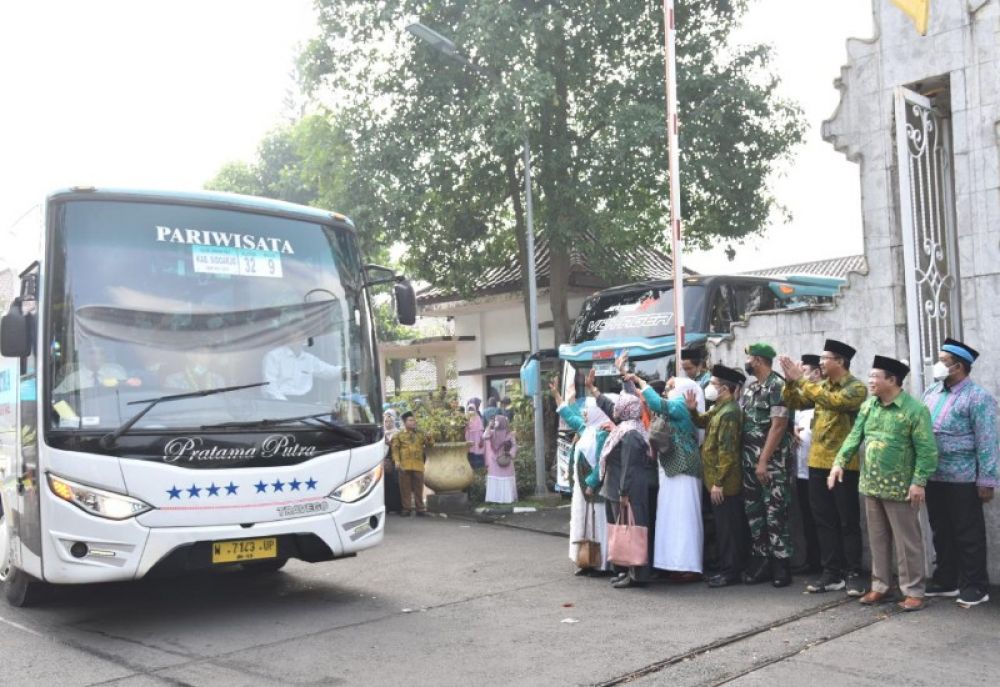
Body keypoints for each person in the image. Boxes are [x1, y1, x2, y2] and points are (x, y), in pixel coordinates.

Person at [829, 356, 938, 612]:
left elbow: (927, 450)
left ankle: (913, 591)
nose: (870, 381)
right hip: (871, 484)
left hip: (900, 487)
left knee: (906, 540)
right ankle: (880, 586)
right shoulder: (869, 407)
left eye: (875, 376)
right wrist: (839, 463)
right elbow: (854, 437)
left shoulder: (914, 410)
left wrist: (919, 481)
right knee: (877, 539)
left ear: (892, 380)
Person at [781, 340, 868, 596]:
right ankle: (831, 573)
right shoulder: (819, 386)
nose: (820, 362)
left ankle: (853, 573)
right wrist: (789, 381)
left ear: (840, 361)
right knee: (823, 521)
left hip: (843, 464)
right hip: (816, 462)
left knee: (848, 521)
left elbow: (834, 402)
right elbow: (794, 401)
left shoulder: (857, 388)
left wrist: (802, 380)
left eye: (825, 358)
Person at [922, 338, 998, 608]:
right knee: (940, 529)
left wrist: (987, 480)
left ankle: (975, 585)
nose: (938, 365)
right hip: (934, 475)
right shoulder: (932, 392)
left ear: (958, 366)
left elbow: (988, 441)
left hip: (963, 478)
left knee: (968, 533)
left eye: (943, 361)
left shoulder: (978, 397)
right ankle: (946, 579)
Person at [588, 370, 657, 589]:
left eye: (619, 407)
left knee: (633, 531)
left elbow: (629, 467)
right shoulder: (627, 424)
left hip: (627, 490)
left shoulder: (631, 434)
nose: (615, 409)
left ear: (626, 410)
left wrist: (624, 493)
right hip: (617, 488)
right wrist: (594, 390)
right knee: (622, 531)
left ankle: (638, 574)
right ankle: (626, 570)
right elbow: (611, 408)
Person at [634, 374, 705, 581]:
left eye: (672, 386)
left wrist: (639, 380)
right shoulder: (678, 406)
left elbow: (656, 402)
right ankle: (672, 564)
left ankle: (688, 566)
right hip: (672, 468)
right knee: (670, 517)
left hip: (684, 469)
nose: (668, 390)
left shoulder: (682, 405)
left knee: (684, 518)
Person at [686, 364, 747, 588]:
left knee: (729, 528)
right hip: (715, 480)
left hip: (725, 484)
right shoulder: (719, 408)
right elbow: (703, 421)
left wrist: (719, 483)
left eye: (713, 384)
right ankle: (726, 568)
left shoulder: (730, 412)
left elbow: (728, 452)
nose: (710, 388)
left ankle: (731, 572)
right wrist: (692, 410)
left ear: (725, 389)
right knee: (722, 527)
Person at [740, 343, 795, 587]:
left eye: (750, 358)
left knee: (775, 514)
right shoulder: (751, 388)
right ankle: (761, 562)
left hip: (771, 464)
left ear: (759, 360)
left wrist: (763, 460)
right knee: (755, 515)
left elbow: (779, 424)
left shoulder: (778, 386)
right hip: (749, 464)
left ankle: (781, 566)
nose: (748, 363)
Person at [551, 380, 612, 575]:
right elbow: (569, 416)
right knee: (583, 522)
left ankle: (601, 564)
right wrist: (557, 396)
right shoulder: (587, 429)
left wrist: (592, 483)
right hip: (581, 487)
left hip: (595, 488)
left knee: (598, 522)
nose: (584, 413)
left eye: (587, 410)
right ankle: (585, 560)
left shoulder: (603, 434)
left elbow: (603, 462)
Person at [787, 354, 822, 576]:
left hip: (820, 466)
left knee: (822, 519)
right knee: (807, 519)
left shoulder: (824, 394)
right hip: (801, 467)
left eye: (806, 370)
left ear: (817, 372)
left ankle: (829, 564)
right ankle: (813, 560)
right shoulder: (802, 397)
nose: (802, 374)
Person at [261, 340, 342, 401]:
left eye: (301, 335)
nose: (298, 338)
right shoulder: (273, 356)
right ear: (288, 337)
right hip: (278, 403)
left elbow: (329, 372)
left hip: (305, 404)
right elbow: (269, 387)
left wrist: (346, 370)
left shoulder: (309, 359)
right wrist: (285, 404)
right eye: (294, 335)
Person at [390, 411, 434, 517]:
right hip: (404, 465)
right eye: (410, 420)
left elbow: (430, 445)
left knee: (419, 488)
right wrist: (396, 461)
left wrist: (429, 437)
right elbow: (395, 449)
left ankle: (420, 509)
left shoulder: (420, 434)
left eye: (414, 420)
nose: (413, 422)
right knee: (405, 488)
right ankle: (407, 508)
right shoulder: (398, 435)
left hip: (418, 464)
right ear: (405, 422)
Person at [54, 340, 133, 393]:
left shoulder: (116, 373)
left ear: (105, 356)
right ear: (84, 355)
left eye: (101, 353)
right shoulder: (73, 379)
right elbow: (57, 399)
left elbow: (128, 393)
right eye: (91, 353)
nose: (97, 356)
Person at [483, 415, 518, 504]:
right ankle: (494, 499)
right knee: (495, 478)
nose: (495, 422)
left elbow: (514, 445)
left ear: (502, 422)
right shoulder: (492, 432)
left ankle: (507, 499)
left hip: (505, 459)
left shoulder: (508, 434)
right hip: (494, 460)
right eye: (495, 420)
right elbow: (484, 436)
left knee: (506, 478)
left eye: (497, 420)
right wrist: (489, 426)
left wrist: (510, 453)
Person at [382, 410, 403, 513]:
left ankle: (398, 507)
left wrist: (389, 444)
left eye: (390, 421)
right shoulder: (381, 434)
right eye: (386, 421)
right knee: (385, 484)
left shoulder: (398, 433)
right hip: (383, 461)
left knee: (396, 483)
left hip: (395, 461)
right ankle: (387, 507)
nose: (388, 423)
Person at [465, 402, 486, 470]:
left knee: (477, 450)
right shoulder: (467, 418)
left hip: (477, 438)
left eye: (472, 409)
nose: (471, 411)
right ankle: (471, 467)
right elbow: (465, 428)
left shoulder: (478, 418)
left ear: (475, 410)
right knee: (470, 451)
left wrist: (481, 439)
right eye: (469, 409)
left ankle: (479, 468)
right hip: (469, 438)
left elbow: (481, 429)